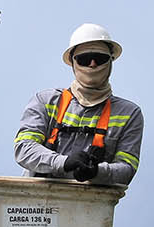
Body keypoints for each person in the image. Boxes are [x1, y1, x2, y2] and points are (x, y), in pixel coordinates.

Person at [14, 23, 143, 187]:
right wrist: (63, 162)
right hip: (36, 203)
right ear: (73, 62)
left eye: (100, 58)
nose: (93, 64)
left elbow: (127, 168)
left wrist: (97, 172)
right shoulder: (45, 101)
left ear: (111, 60)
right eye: (85, 59)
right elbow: (24, 148)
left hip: (88, 206)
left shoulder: (129, 113)